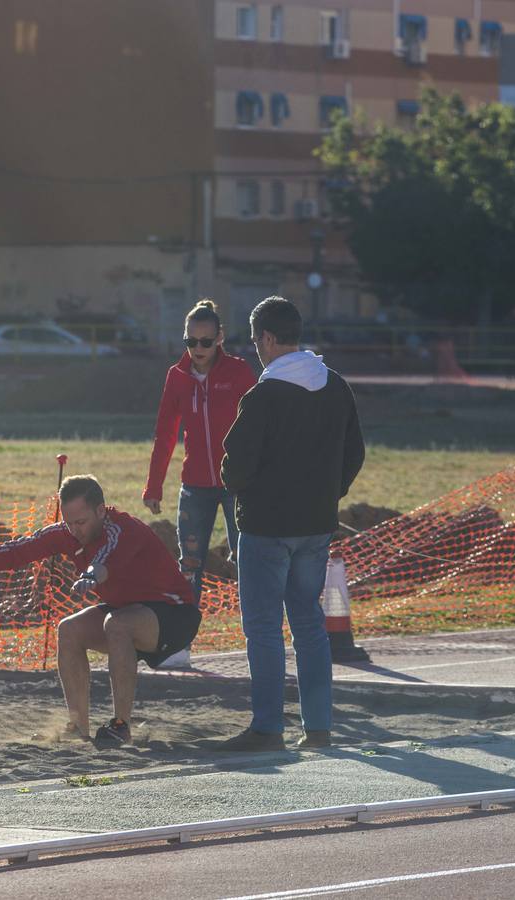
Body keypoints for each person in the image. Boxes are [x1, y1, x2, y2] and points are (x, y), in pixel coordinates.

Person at [0, 475, 200, 747]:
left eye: (81, 522)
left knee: (117, 624)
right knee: (69, 629)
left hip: (174, 614)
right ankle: (77, 727)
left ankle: (120, 726)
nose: (75, 530)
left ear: (100, 511)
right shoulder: (67, 533)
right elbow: (16, 551)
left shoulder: (123, 529)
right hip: (127, 610)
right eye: (69, 523)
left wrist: (90, 576)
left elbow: (104, 561)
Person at [216, 296, 364, 751]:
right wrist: (329, 493)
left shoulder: (264, 395)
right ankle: (317, 727)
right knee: (309, 624)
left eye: (254, 341)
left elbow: (235, 467)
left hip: (265, 526)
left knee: (263, 628)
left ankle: (267, 727)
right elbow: (355, 452)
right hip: (316, 525)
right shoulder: (334, 385)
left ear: (265, 337)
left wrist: (240, 486)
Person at [143, 299, 257, 668]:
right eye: (191, 341)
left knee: (247, 560)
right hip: (194, 486)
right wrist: (153, 487)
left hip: (237, 484)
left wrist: (260, 475)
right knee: (189, 565)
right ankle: (179, 646)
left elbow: (261, 423)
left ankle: (258, 642)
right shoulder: (177, 376)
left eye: (206, 342)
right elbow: (165, 434)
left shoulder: (239, 372)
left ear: (220, 338)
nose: (198, 349)